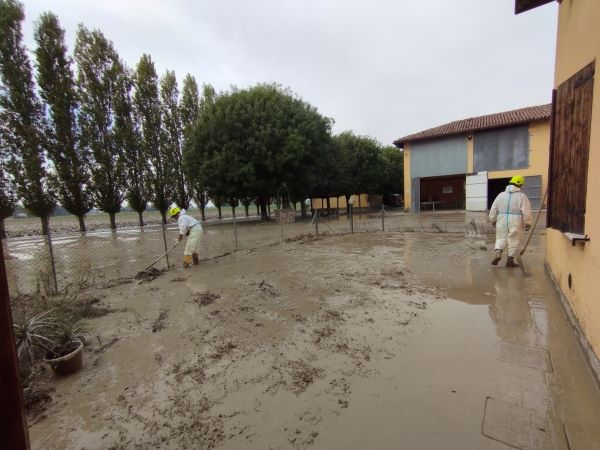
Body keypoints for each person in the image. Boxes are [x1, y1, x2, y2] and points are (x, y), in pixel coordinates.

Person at [489, 175, 532, 267]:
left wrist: (492, 219)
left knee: (500, 238)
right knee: (514, 239)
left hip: (501, 220)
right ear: (520, 184)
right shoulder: (522, 196)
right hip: (516, 221)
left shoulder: (500, 195)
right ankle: (510, 260)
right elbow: (526, 211)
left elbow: (494, 208)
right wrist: (528, 222)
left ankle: (498, 252)